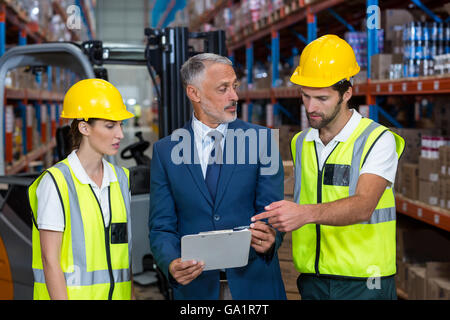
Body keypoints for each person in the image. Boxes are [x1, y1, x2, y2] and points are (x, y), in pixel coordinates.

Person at [252, 34, 405, 300]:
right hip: (313, 281)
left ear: (347, 93)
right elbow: (303, 201)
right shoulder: (301, 143)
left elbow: (363, 206)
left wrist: (303, 214)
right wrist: (274, 232)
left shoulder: (378, 140)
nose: (311, 107)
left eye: (322, 98)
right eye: (305, 96)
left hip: (364, 283)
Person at [149, 53, 286, 300]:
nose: (234, 96)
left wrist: (271, 236)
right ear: (194, 93)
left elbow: (271, 212)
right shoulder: (165, 152)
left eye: (234, 87)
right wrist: (170, 263)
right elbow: (161, 226)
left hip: (254, 286)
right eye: (223, 89)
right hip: (197, 290)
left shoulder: (262, 141)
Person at [28, 78, 135, 300]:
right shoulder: (56, 183)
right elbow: (50, 260)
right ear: (84, 127)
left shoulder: (121, 180)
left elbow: (122, 256)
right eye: (110, 125)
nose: (120, 135)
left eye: (120, 125)